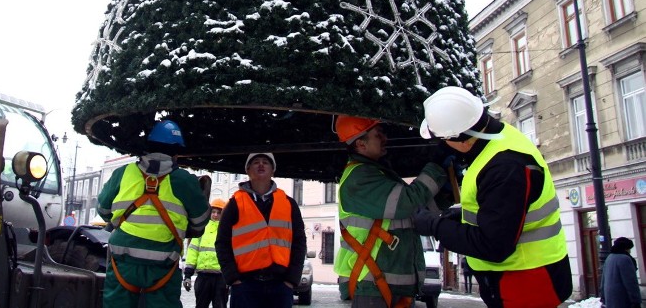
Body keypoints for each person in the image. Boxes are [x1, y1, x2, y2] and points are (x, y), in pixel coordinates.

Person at [411, 86, 572, 308]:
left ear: (462, 139)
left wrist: (434, 226)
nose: (442, 146)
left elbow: (493, 245)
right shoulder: (499, 140)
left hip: (525, 283)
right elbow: (503, 211)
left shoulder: (505, 167)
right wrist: (461, 217)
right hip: (524, 278)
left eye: (443, 139)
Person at [333, 115, 449, 308]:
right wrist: (436, 166)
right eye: (378, 135)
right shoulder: (359, 178)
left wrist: (447, 193)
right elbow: (408, 202)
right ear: (361, 144)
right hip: (374, 286)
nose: (384, 138)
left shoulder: (378, 173)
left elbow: (417, 209)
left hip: (389, 286)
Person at [97, 119, 210, 307]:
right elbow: (199, 223)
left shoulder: (123, 173)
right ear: (176, 152)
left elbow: (102, 209)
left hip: (123, 259)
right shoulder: (183, 180)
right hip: (163, 262)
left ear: (149, 146)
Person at [215, 153, 307, 308]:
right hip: (245, 285)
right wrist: (233, 279)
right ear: (248, 170)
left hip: (280, 285)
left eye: (266, 162)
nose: (261, 165)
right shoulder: (234, 204)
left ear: (273, 171)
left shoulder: (288, 204)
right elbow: (222, 243)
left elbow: (299, 242)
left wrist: (291, 279)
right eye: (256, 162)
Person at [184, 198, 228, 308]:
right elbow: (193, 251)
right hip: (203, 276)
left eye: (219, 212)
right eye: (213, 212)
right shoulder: (202, 228)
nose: (215, 215)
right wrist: (188, 274)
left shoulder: (227, 229)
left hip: (221, 277)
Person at [600, 237, 642, 308]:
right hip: (622, 298)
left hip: (610, 298)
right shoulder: (625, 259)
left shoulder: (609, 258)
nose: (630, 251)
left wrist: (603, 297)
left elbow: (603, 279)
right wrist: (635, 300)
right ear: (625, 248)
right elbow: (630, 282)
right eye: (629, 249)